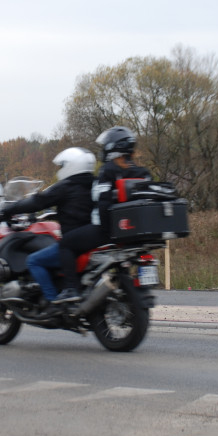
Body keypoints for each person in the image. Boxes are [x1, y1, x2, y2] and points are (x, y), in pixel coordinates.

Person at [0, 148, 96, 317]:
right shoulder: (94, 184)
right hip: (94, 239)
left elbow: (37, 202)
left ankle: (53, 302)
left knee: (34, 261)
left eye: (61, 166)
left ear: (70, 166)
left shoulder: (66, 186)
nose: (59, 170)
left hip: (74, 243)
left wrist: (7, 211)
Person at [55, 126, 152, 303]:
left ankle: (71, 288)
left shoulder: (108, 170)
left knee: (66, 244)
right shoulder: (142, 172)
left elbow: (103, 202)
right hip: (132, 231)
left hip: (106, 229)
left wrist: (106, 232)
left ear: (112, 147)